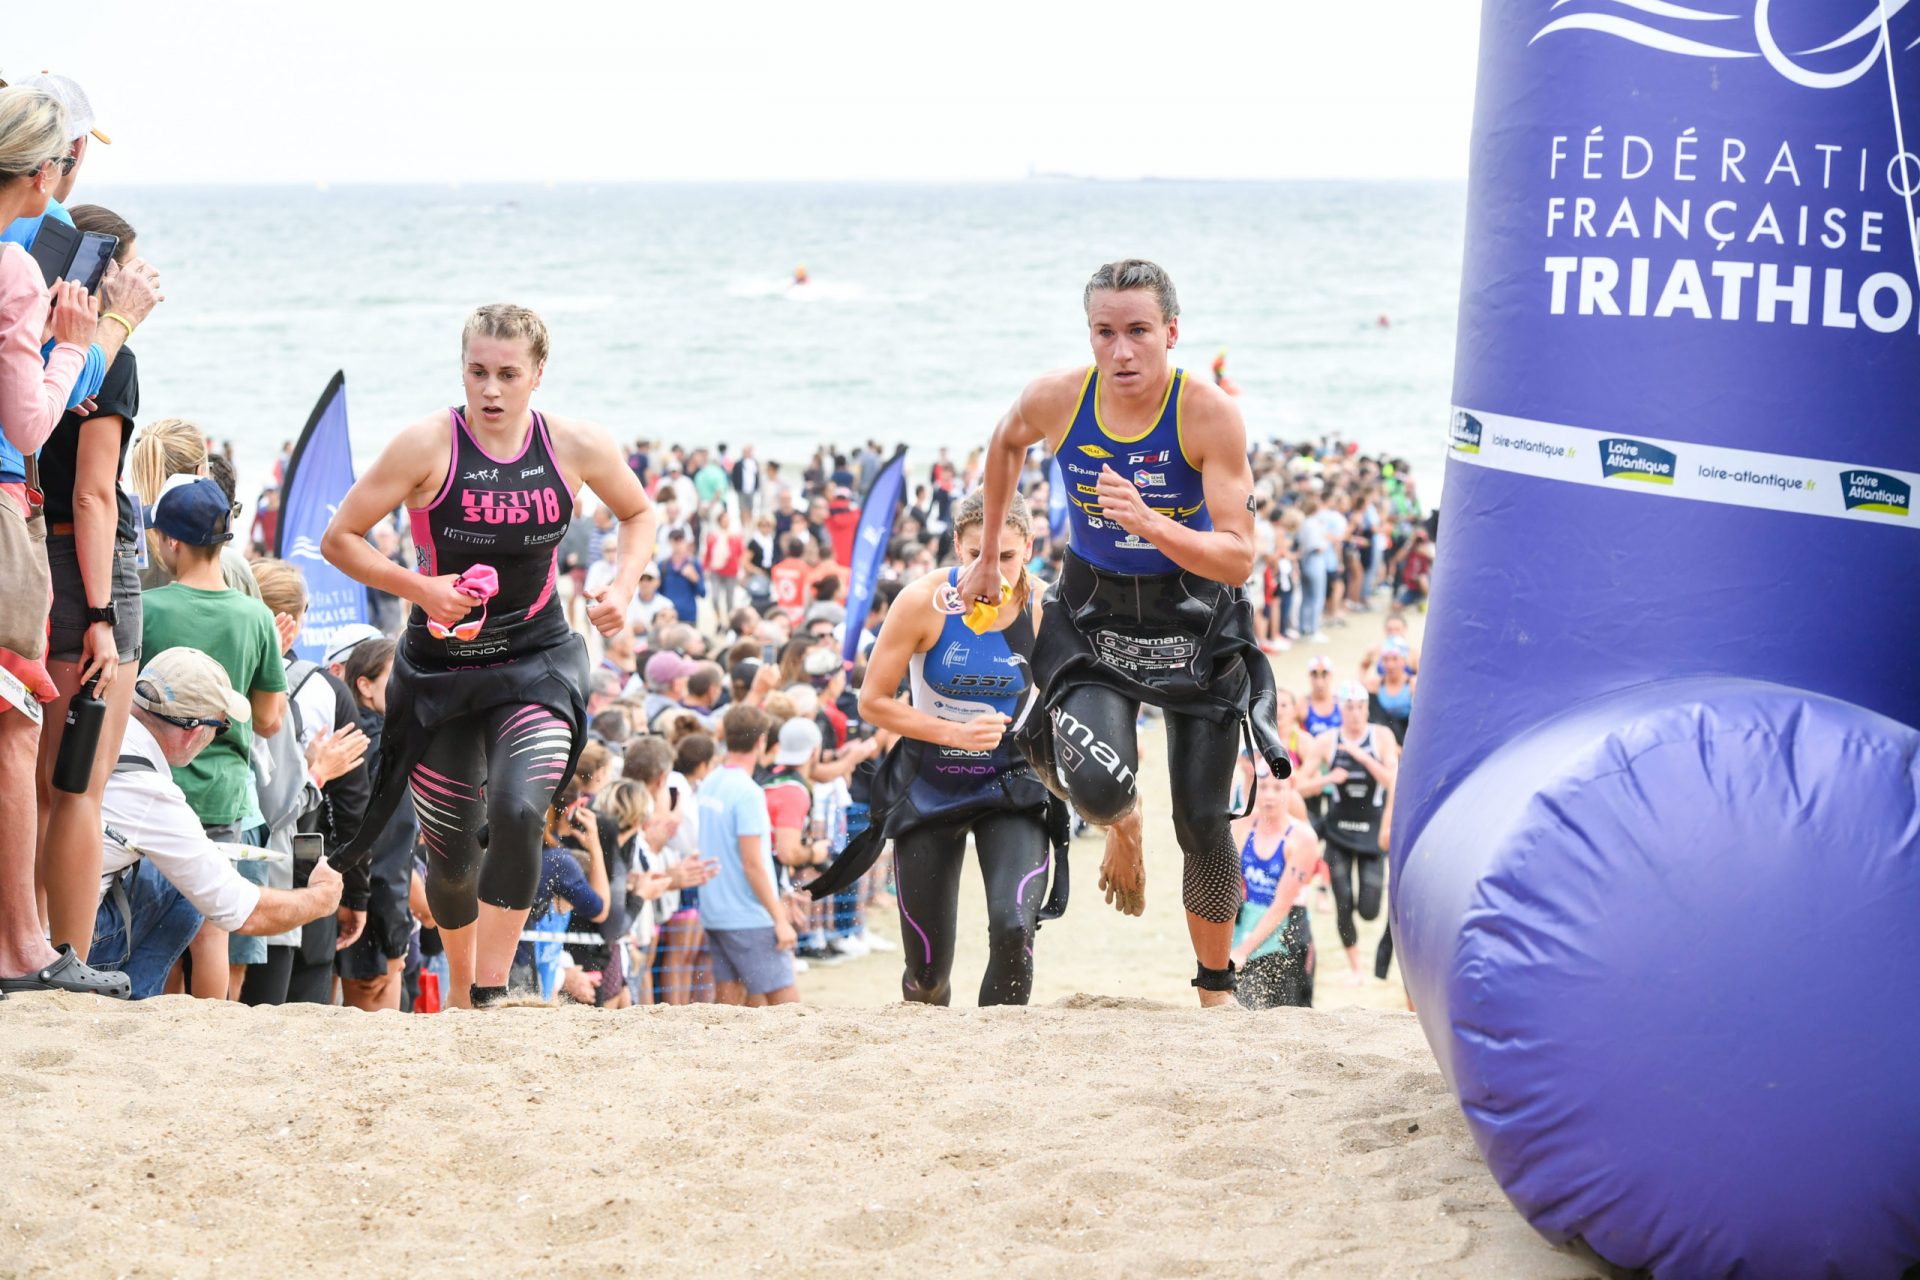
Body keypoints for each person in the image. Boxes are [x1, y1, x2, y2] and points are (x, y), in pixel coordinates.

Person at [960, 259, 1290, 1006]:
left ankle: (1215, 988)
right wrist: (988, 556)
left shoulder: (1207, 413)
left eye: (1139, 331)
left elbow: (1239, 556)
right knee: (1104, 791)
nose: (1122, 352)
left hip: (1195, 618)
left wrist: (1149, 522)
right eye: (1105, 333)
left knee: (1204, 822)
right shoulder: (1058, 399)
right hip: (1097, 613)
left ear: (1171, 332)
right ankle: (1123, 826)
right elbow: (1006, 441)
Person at [321, 303, 656, 1009]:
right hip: (440, 671)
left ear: (537, 374)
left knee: (517, 809)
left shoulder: (574, 445)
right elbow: (340, 538)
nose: (492, 389)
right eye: (478, 372)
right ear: (463, 371)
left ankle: (491, 994)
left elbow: (639, 512)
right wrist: (420, 589)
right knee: (448, 863)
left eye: (508, 373)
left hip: (537, 660)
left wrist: (622, 585)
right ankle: (469, 983)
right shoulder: (425, 446)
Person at [812, 489, 1059, 1006]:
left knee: (1014, 931)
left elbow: (1075, 706)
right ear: (956, 547)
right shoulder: (922, 601)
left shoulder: (1046, 608)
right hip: (932, 781)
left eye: (1007, 557)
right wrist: (952, 734)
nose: (991, 571)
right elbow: (873, 703)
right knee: (925, 975)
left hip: (1011, 781)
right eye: (976, 556)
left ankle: (1000, 1067)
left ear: (1030, 548)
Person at [0, 85, 136, 998]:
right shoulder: (13, 269)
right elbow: (31, 418)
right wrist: (89, 339)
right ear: (50, 170)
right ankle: (24, 951)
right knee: (15, 736)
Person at [30, 204, 152, 961]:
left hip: (32, 559)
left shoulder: (30, 347)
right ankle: (65, 954)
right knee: (79, 788)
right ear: (102, 273)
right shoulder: (115, 363)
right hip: (87, 572)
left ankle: (27, 939)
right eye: (131, 265)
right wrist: (105, 608)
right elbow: (94, 493)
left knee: (32, 783)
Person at [88, 648, 344, 999]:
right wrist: (320, 899)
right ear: (194, 732)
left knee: (177, 870)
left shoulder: (92, 725)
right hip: (66, 944)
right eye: (220, 727)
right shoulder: (152, 795)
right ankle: (131, 1000)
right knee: (193, 886)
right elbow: (242, 911)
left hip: (33, 925)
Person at [138, 476, 288, 998]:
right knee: (211, 930)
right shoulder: (256, 617)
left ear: (170, 542)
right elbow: (269, 720)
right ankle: (210, 1030)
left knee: (150, 922)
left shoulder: (148, 608)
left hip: (156, 787)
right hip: (224, 790)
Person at [695, 704, 798, 1007]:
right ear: (761, 741)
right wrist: (779, 918)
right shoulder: (748, 792)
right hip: (749, 914)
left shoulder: (710, 781)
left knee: (732, 1004)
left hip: (716, 911)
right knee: (789, 1006)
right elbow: (753, 863)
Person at [1314, 681, 1398, 985]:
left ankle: (1362, 965)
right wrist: (1329, 779)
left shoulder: (1381, 736)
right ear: (1341, 709)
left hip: (1371, 831)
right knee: (1343, 898)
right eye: (1349, 707)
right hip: (1338, 830)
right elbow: (1300, 783)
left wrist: (1362, 758)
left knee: (1370, 909)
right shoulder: (1326, 741)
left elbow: (1393, 781)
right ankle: (1356, 969)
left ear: (1366, 707)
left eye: (1360, 706)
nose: (1355, 713)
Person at [1227, 763, 1319, 1009]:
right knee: (1241, 1009)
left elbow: (1281, 906)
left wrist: (1243, 951)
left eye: (1277, 788)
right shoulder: (1240, 825)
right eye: (1263, 787)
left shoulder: (1302, 838)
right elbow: (1229, 886)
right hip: (1247, 925)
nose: (1269, 796)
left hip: (1287, 936)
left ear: (1290, 790)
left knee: (1290, 1018)